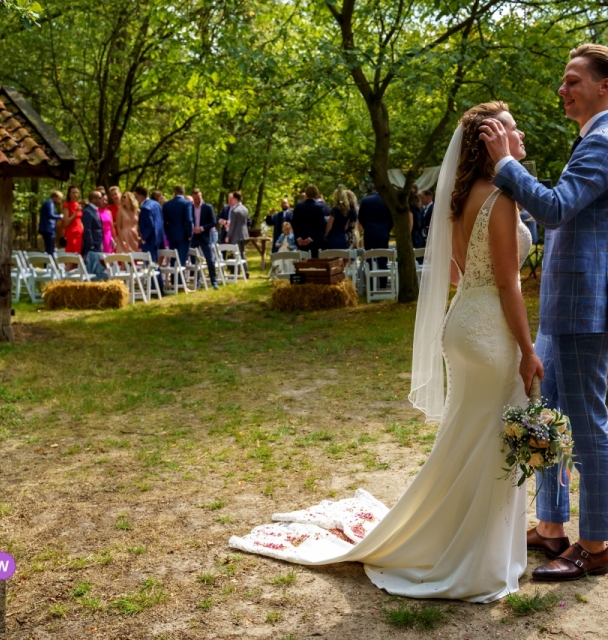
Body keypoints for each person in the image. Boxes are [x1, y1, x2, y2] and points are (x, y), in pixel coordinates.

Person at [230, 101, 540, 603]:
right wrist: (528, 349)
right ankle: (475, 559)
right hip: (491, 330)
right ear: (490, 141)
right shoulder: (501, 199)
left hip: (461, 323)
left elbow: (459, 274)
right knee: (491, 442)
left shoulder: (461, 199)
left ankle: (461, 543)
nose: (519, 132)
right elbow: (508, 285)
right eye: (510, 126)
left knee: (468, 439)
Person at [478, 44, 608, 582]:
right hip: (568, 304)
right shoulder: (595, 138)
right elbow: (561, 213)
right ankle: (551, 528)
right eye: (563, 81)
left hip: (584, 305)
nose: (563, 89)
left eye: (573, 80)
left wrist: (503, 165)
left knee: (587, 424)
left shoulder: (604, 141)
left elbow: (554, 206)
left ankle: (594, 546)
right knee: (550, 413)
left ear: (604, 87)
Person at [358, 189, 394, 287]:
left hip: (370, 233)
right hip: (383, 234)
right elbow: (392, 218)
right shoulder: (388, 201)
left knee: (368, 259)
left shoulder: (366, 201)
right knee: (383, 259)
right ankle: (383, 284)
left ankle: (370, 284)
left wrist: (368, 227)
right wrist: (386, 229)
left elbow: (360, 217)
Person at [135, 185, 165, 292]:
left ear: (140, 195)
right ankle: (159, 285)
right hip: (157, 238)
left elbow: (150, 225)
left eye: (136, 196)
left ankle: (155, 287)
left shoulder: (145, 208)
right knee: (154, 263)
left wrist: (144, 238)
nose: (136, 199)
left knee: (150, 264)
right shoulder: (156, 204)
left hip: (149, 239)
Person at [162, 185, 194, 274]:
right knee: (182, 258)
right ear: (183, 193)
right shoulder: (186, 203)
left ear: (175, 192)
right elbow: (189, 220)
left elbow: (164, 221)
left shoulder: (167, 204)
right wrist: (190, 234)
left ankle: (173, 280)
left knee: (173, 259)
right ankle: (179, 283)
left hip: (172, 235)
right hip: (183, 235)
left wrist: (167, 232)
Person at [191, 188, 219, 289]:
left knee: (209, 259)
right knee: (194, 260)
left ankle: (214, 281)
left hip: (205, 236)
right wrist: (192, 228)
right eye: (195, 199)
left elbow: (213, 222)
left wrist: (202, 228)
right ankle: (197, 281)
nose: (196, 201)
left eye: (198, 198)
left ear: (201, 197)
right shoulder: (191, 207)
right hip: (194, 237)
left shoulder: (208, 207)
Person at [293, 185, 330, 259]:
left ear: (306, 194)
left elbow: (294, 222)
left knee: (302, 265)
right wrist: (310, 238)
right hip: (315, 242)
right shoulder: (319, 208)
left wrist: (298, 237)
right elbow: (320, 225)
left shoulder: (298, 206)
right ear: (316, 194)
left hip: (301, 242)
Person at [80, 190, 109, 280]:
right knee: (92, 267)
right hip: (92, 245)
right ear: (93, 199)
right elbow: (87, 230)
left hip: (98, 242)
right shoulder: (88, 212)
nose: (102, 200)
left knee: (97, 265)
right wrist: (91, 245)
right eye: (100, 198)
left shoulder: (95, 210)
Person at [226, 191, 251, 276]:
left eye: (232, 199)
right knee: (242, 253)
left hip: (236, 234)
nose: (231, 200)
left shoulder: (234, 210)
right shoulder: (245, 209)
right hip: (244, 233)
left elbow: (232, 225)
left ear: (235, 199)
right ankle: (245, 270)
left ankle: (235, 271)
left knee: (235, 253)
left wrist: (228, 235)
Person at [38, 190, 63, 256]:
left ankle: (47, 264)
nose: (59, 201)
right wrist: (60, 216)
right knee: (50, 249)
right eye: (59, 199)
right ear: (54, 197)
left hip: (46, 228)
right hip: (48, 228)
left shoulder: (47, 202)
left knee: (48, 249)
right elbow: (51, 214)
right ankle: (48, 265)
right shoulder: (50, 203)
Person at [61, 186, 83, 255]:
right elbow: (66, 222)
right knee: (72, 256)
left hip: (80, 233)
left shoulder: (78, 204)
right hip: (71, 234)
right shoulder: (66, 205)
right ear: (69, 194)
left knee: (79, 256)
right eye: (73, 193)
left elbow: (80, 220)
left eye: (77, 193)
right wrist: (76, 212)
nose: (75, 195)